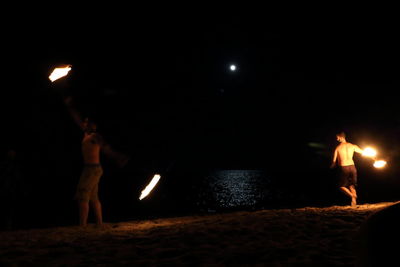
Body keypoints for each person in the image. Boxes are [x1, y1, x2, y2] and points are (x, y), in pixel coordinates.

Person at [63, 96, 129, 227]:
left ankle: (82, 225)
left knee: (83, 195)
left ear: (93, 125)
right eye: (85, 122)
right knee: (93, 197)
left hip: (92, 170)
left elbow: (106, 148)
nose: (85, 123)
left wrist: (118, 157)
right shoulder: (86, 135)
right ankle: (99, 223)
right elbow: (77, 120)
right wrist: (70, 107)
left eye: (88, 122)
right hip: (91, 169)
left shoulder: (94, 136)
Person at [330, 132, 364, 207]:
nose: (337, 139)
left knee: (341, 186)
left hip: (344, 168)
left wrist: (330, 167)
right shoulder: (353, 146)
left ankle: (352, 195)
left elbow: (334, 162)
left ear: (341, 137)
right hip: (352, 167)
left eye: (337, 137)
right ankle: (354, 201)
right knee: (352, 185)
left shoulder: (338, 148)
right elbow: (363, 152)